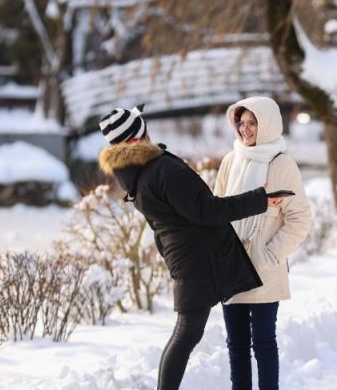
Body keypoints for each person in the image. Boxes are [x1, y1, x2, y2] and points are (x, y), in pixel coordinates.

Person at [97, 105, 284, 390]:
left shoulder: (135, 176)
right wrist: (260, 200)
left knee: (186, 334)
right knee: (186, 333)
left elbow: (162, 227)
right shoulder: (162, 170)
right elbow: (207, 211)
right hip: (197, 262)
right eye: (144, 127)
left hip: (186, 258)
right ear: (137, 137)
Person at [214, 97, 311, 390]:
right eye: (241, 123)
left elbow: (300, 218)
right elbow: (217, 211)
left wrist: (271, 254)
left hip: (264, 269)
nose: (245, 129)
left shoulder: (282, 164)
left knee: (264, 342)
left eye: (252, 123)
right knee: (236, 345)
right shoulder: (230, 161)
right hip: (232, 265)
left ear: (266, 124)